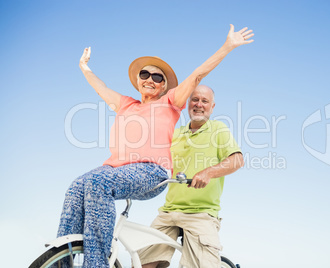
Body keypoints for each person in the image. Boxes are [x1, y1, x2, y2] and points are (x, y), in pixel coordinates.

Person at [56, 24, 254, 268]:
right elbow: (102, 88)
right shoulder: (126, 104)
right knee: (76, 187)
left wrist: (227, 47)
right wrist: (85, 68)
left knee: (98, 185)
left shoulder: (170, 103)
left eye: (157, 77)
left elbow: (197, 76)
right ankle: (61, 262)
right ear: (138, 81)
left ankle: (95, 264)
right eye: (145, 75)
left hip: (150, 171)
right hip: (116, 170)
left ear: (163, 86)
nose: (150, 79)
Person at [139, 85, 244, 268]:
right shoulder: (175, 134)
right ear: (188, 104)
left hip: (201, 213)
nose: (199, 104)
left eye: (205, 101)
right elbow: (153, 161)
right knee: (142, 262)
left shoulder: (218, 129)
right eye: (195, 99)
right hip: (169, 211)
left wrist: (208, 172)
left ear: (212, 106)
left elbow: (237, 160)